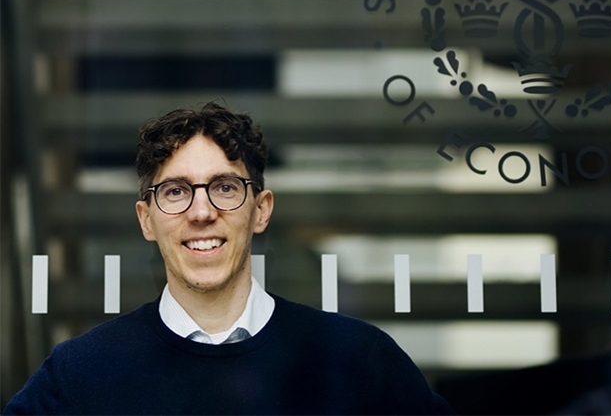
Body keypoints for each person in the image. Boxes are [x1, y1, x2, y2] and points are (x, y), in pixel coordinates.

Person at [4, 102, 455, 415]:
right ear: (146, 219)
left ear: (261, 210)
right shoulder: (81, 375)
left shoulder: (359, 361)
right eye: (176, 191)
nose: (202, 212)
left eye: (224, 187)